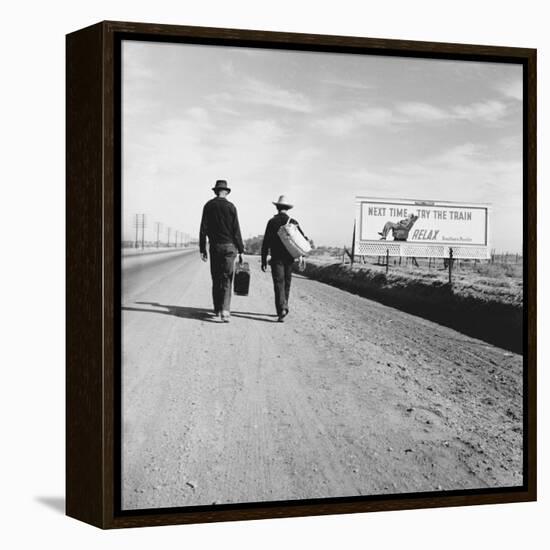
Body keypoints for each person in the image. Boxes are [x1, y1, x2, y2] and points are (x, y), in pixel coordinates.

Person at [199, 180, 244, 323]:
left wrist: (202, 249)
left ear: (215, 191)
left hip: (215, 247)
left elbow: (203, 229)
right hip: (230, 247)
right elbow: (236, 230)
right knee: (227, 278)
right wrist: (241, 249)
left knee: (216, 277)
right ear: (226, 192)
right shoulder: (231, 207)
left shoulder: (208, 206)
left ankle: (217, 308)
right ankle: (225, 310)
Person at [261, 195, 309, 323]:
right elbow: (302, 239)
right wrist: (301, 255)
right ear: (287, 209)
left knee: (278, 284)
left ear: (277, 207)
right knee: (287, 283)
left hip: (276, 258)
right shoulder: (293, 222)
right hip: (289, 258)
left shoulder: (271, 222)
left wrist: (264, 258)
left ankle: (281, 308)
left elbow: (266, 242)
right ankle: (284, 306)